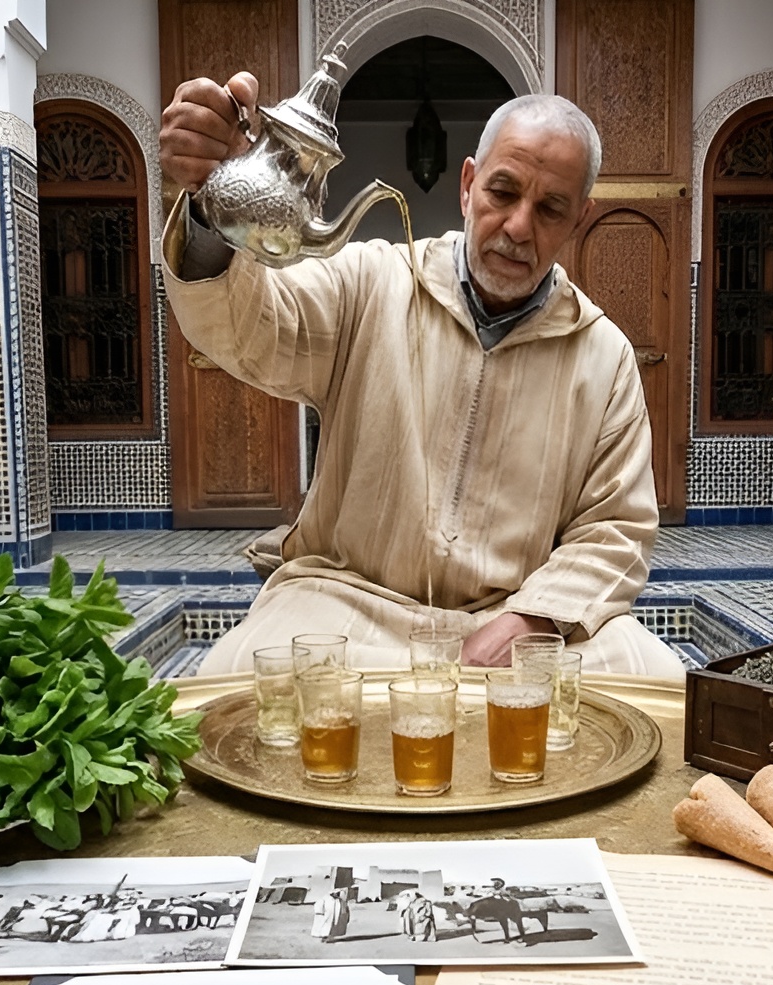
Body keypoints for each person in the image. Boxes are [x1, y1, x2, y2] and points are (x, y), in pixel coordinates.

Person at [158, 75, 686, 680]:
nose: (517, 227)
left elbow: (616, 529)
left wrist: (532, 620)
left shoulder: (603, 356)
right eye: (503, 192)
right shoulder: (370, 283)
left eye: (549, 208)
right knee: (237, 669)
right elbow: (249, 328)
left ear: (579, 219)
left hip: (512, 619)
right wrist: (209, 204)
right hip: (352, 604)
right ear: (467, 185)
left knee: (653, 678)